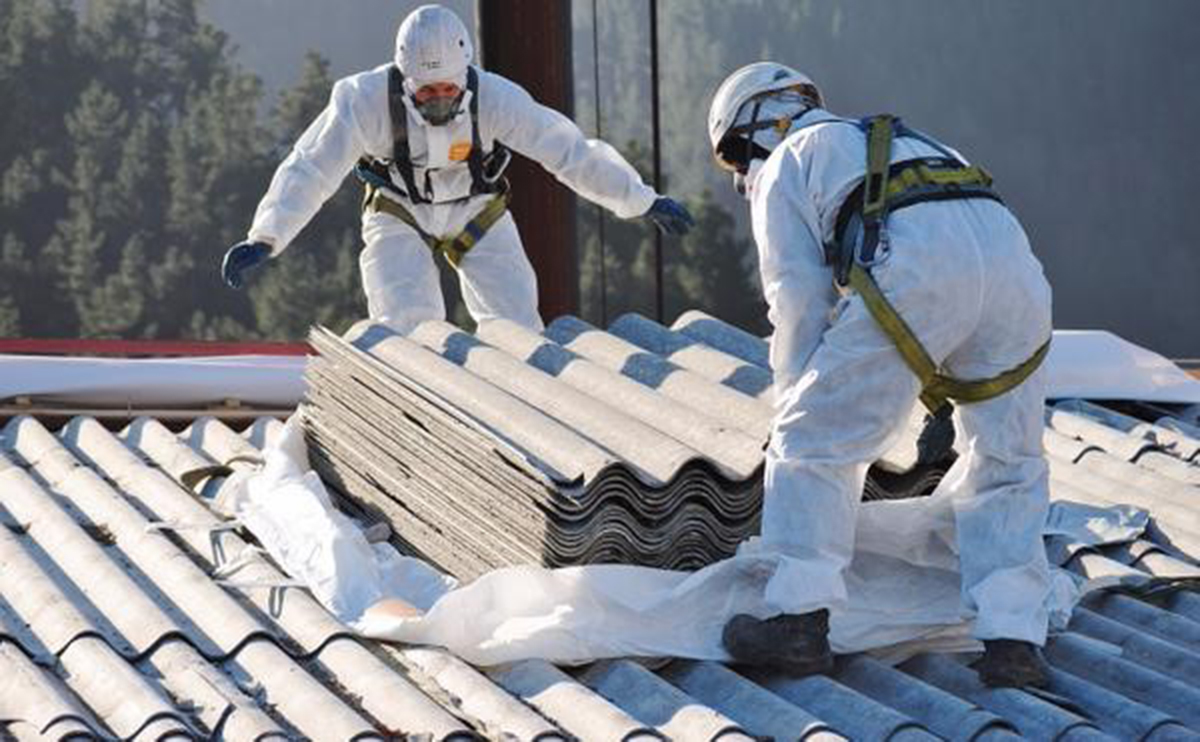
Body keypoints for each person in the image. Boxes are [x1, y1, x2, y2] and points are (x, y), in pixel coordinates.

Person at [707, 62, 1053, 687]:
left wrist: (794, 404)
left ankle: (797, 621)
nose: (742, 181)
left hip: (925, 275)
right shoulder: (907, 142)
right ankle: (1015, 643)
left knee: (812, 444)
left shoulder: (790, 158)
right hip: (1021, 284)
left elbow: (798, 301)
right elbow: (960, 252)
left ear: (748, 133)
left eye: (736, 165)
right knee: (1010, 464)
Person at [222, 4, 692, 333]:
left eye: (447, 89)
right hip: (398, 209)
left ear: (464, 73)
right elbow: (311, 167)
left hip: (476, 210)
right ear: (406, 79)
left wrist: (640, 199)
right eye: (426, 92)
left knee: (518, 329)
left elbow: (567, 150)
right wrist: (267, 236)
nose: (439, 100)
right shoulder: (363, 102)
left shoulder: (495, 98)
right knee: (409, 328)